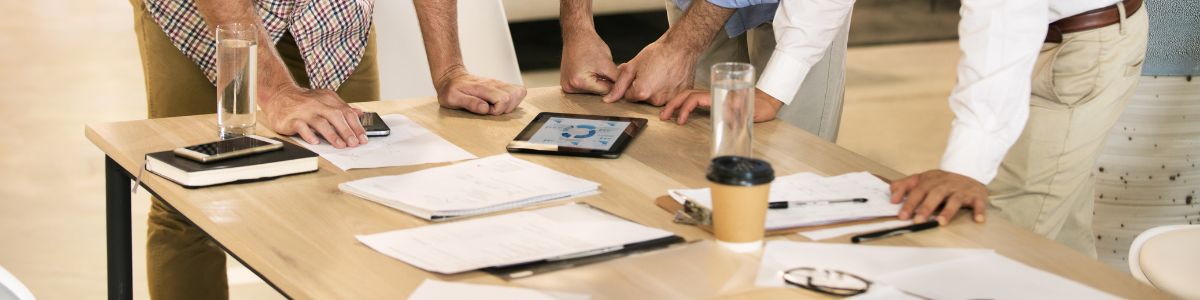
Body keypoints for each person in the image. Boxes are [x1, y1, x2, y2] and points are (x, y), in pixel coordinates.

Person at [128, 0, 525, 298]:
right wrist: (277, 91)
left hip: (329, 13)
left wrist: (449, 70)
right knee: (188, 198)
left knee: (362, 187)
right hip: (197, 14)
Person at [886, 0, 1147, 258]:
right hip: (1049, 33)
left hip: (1070, 45)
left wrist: (964, 168)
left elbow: (1004, 19)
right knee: (1063, 249)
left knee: (995, 242)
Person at [558, 0, 853, 142]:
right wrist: (577, 27)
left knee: (788, 166)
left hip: (802, 10)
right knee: (690, 153)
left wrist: (771, 94)